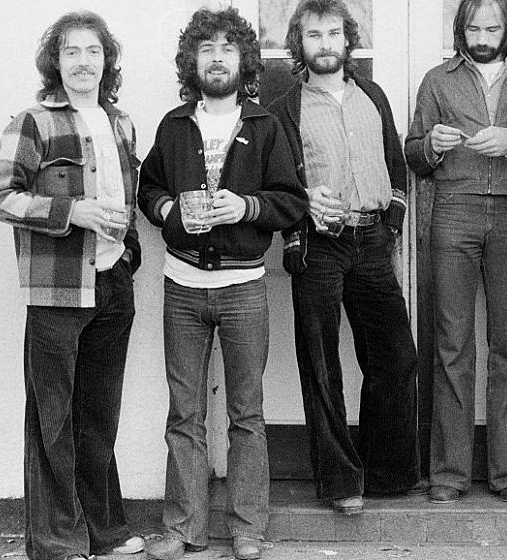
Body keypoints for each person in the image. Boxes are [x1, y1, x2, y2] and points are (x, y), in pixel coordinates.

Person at [137, 8, 306, 560]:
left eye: (227, 49)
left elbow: (292, 202)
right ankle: (185, 528)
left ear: (244, 61)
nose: (216, 58)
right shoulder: (173, 124)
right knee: (184, 413)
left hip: (243, 288)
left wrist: (247, 205)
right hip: (182, 286)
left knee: (246, 414)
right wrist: (166, 211)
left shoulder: (265, 125)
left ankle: (248, 528)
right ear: (193, 61)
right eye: (206, 49)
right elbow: (149, 187)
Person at [0, 11, 144, 560]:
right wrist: (72, 211)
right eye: (71, 52)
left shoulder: (121, 123)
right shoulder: (33, 122)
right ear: (56, 60)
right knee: (53, 416)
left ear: (107, 60)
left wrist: (128, 256)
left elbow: (129, 199)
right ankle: (56, 542)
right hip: (57, 290)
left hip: (112, 283)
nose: (83, 62)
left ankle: (105, 532)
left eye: (93, 51)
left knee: (99, 416)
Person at [268, 0, 421, 516]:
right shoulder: (285, 108)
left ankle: (386, 473)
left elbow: (397, 170)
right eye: (314, 35)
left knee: (396, 357)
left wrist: (392, 225)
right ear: (300, 44)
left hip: (372, 238)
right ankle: (339, 481)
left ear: (347, 40)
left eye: (334, 33)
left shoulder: (373, 96)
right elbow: (278, 184)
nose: (325, 43)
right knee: (321, 362)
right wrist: (304, 205)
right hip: (319, 245)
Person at [404, 0, 507, 505]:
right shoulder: (437, 80)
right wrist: (434, 144)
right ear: (461, 30)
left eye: (493, 26)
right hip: (454, 209)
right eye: (474, 26)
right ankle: (448, 473)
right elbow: (412, 152)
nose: (483, 34)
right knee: (451, 342)